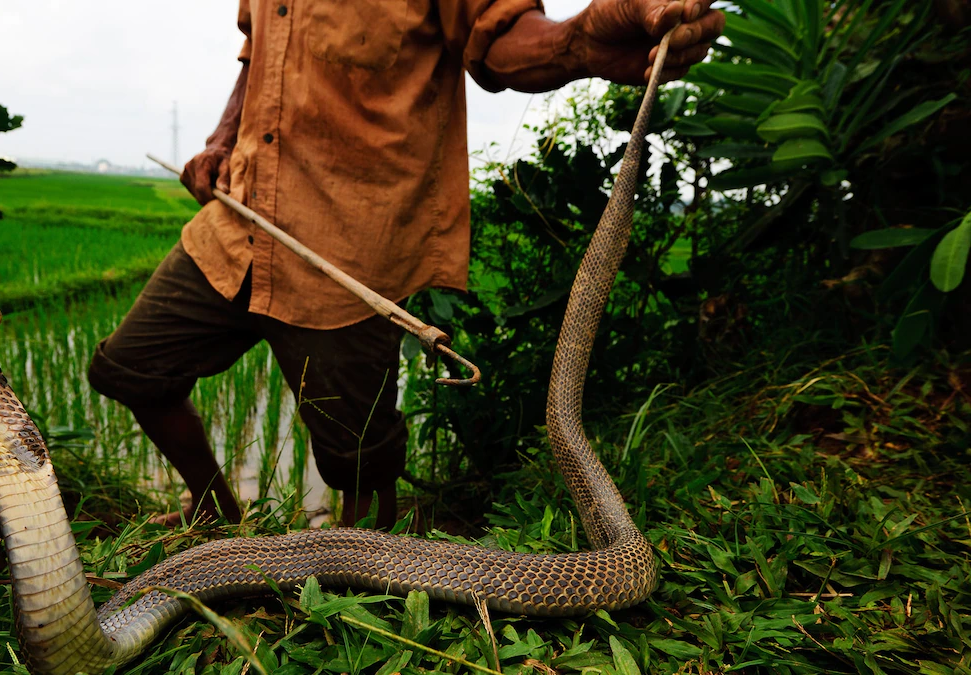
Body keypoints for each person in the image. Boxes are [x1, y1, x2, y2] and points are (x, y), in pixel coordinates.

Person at [89, 0, 724, 529]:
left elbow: (501, 41)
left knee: (359, 461)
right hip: (239, 224)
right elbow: (260, 57)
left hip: (349, 249)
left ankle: (359, 587)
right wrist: (221, 140)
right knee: (129, 370)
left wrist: (579, 41)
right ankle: (213, 513)